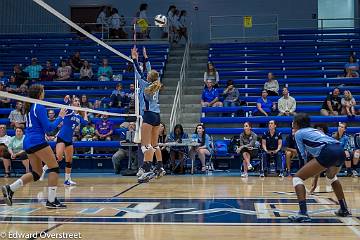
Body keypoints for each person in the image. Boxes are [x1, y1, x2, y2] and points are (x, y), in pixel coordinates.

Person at [2, 84, 67, 209]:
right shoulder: (39, 106)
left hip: (28, 142)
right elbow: (49, 128)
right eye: (43, 91)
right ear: (39, 93)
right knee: (54, 168)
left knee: (37, 173)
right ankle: (51, 201)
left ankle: (10, 188)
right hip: (37, 141)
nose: (44, 93)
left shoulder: (30, 107)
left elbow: (39, 126)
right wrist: (60, 117)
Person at [289, 113, 351, 223]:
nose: (292, 124)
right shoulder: (314, 131)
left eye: (293, 122)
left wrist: (302, 171)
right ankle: (344, 208)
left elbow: (301, 155)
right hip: (340, 150)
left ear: (297, 124)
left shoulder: (298, 133)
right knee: (331, 177)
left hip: (327, 152)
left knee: (297, 178)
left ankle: (303, 213)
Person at [132, 46, 165, 183]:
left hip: (149, 116)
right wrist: (145, 58)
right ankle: (160, 167)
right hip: (157, 116)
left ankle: (146, 170)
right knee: (154, 144)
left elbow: (138, 72)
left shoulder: (146, 85)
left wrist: (134, 59)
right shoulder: (156, 83)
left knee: (145, 146)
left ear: (148, 77)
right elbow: (148, 71)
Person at [42, 95, 88, 185]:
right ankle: (44, 168)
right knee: (59, 157)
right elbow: (66, 104)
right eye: (75, 100)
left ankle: (67, 180)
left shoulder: (78, 116)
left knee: (69, 160)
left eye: (78, 101)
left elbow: (85, 122)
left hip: (69, 140)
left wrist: (85, 112)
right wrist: (67, 99)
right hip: (62, 137)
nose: (77, 102)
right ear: (72, 103)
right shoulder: (70, 111)